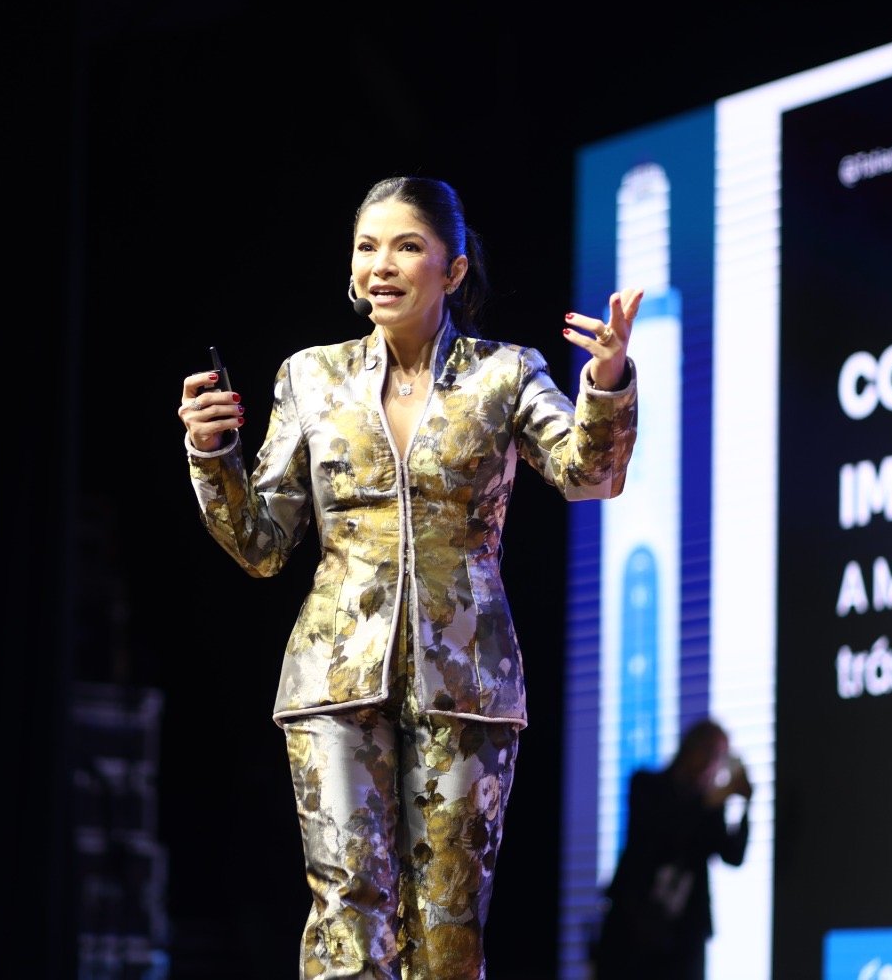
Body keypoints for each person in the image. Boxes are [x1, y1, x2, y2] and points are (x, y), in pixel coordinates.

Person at [177, 175, 643, 978]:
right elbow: (260, 544)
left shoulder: (504, 374)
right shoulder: (311, 378)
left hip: (467, 679)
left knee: (446, 931)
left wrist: (605, 383)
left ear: (453, 270)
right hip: (335, 677)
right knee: (346, 917)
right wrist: (213, 454)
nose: (381, 265)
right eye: (367, 247)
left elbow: (590, 476)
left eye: (407, 246)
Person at [591, 718, 753, 980]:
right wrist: (715, 799)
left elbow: (732, 855)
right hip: (632, 926)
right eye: (710, 753)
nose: (712, 764)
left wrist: (745, 806)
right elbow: (664, 831)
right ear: (690, 748)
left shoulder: (710, 807)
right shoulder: (647, 785)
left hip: (684, 938)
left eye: (720, 758)